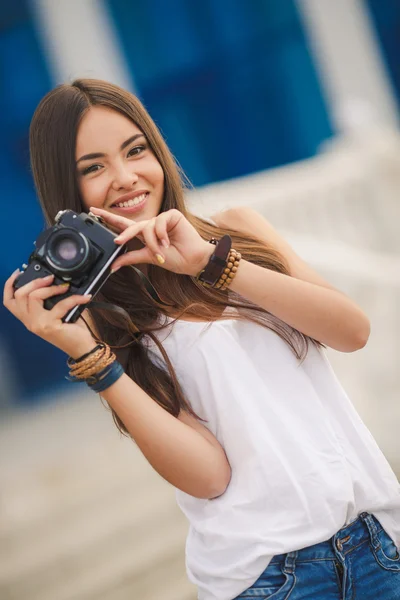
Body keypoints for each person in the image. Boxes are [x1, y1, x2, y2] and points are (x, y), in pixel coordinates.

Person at [3, 79, 400, 600]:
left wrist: (214, 264)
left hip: (378, 543)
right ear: (66, 190)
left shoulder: (235, 230)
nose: (126, 178)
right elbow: (209, 476)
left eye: (135, 150)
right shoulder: (101, 314)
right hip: (271, 578)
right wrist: (88, 356)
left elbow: (351, 331)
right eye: (93, 167)